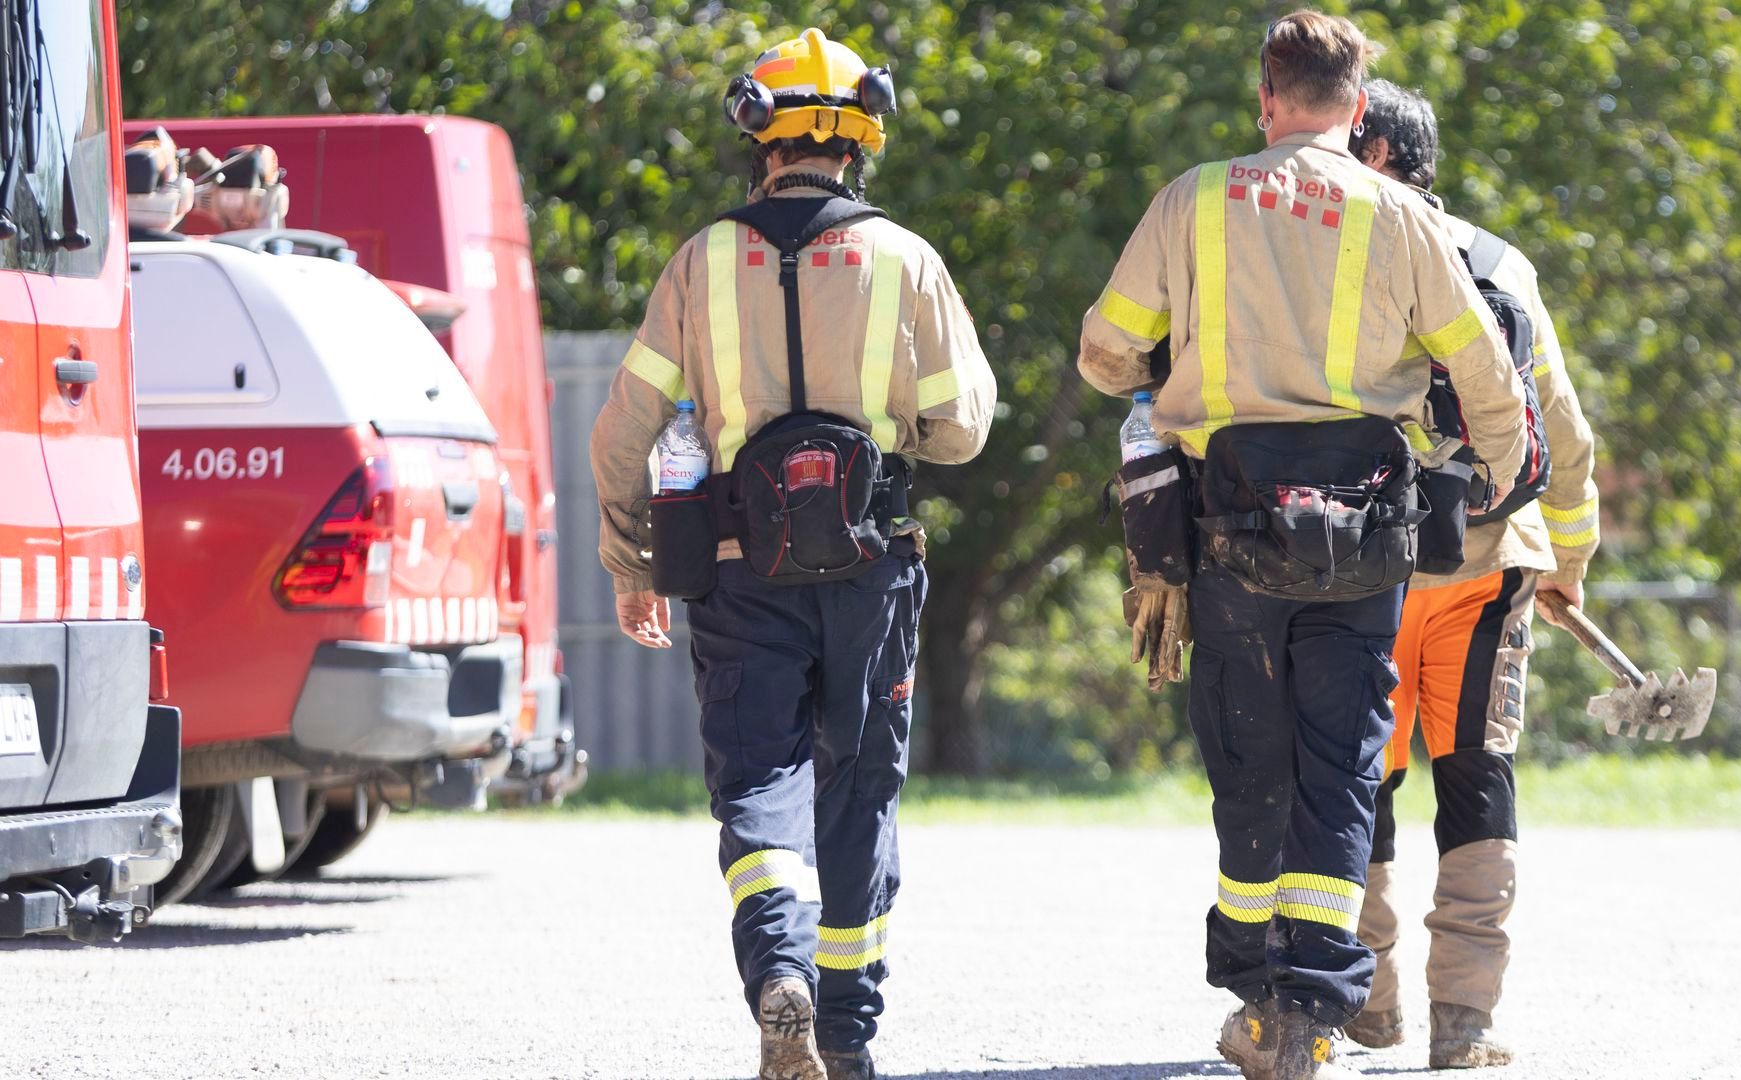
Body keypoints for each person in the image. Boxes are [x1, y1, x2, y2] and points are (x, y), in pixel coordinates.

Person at [1078, 12, 1530, 1080]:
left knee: (1248, 755)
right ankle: (1314, 1013)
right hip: (1366, 536)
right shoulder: (1398, 213)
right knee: (1344, 762)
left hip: (1231, 525)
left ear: (1267, 99)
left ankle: (1252, 988)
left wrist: (1161, 366)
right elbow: (1482, 369)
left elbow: (1104, 355)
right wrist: (1504, 475)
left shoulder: (1193, 199)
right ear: (1356, 107)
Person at [590, 28, 996, 1080]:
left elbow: (621, 434)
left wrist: (631, 561)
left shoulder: (700, 261)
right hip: (872, 568)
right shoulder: (906, 257)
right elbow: (963, 429)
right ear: (863, 134)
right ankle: (848, 1037)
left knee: (759, 782)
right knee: (859, 792)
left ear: (755, 131)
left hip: (734, 568)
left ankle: (782, 975)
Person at [1341, 79, 1600, 1069]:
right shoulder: (1500, 264)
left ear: (1368, 156)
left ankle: (1368, 1004)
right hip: (1489, 567)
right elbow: (1564, 432)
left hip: (1360, 567)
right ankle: (1466, 1025)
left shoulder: (1336, 263)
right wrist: (1567, 558)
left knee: (1355, 777)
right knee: (1476, 778)